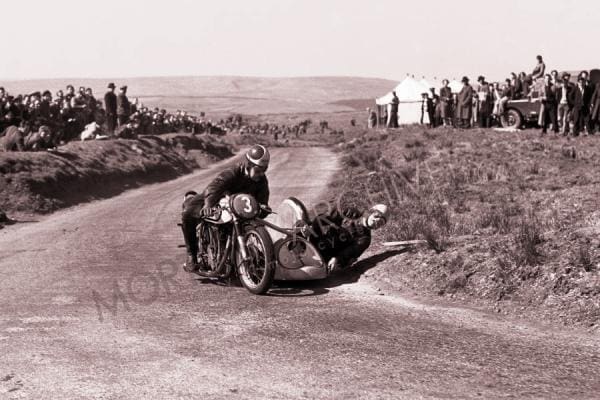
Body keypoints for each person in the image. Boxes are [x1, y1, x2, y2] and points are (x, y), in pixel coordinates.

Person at [181, 144, 271, 272]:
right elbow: (213, 188)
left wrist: (263, 208)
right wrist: (208, 205)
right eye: (258, 170)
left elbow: (263, 201)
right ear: (249, 165)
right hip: (215, 197)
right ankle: (192, 256)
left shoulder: (261, 180)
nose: (261, 174)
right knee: (187, 214)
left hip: (236, 206)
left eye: (265, 169)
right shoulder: (233, 172)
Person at [307, 203, 389, 272]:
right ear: (371, 211)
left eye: (381, 222)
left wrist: (337, 259)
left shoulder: (365, 239)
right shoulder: (351, 212)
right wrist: (312, 226)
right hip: (317, 238)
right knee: (303, 229)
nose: (377, 222)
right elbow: (327, 217)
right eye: (377, 216)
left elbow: (350, 253)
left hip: (326, 256)